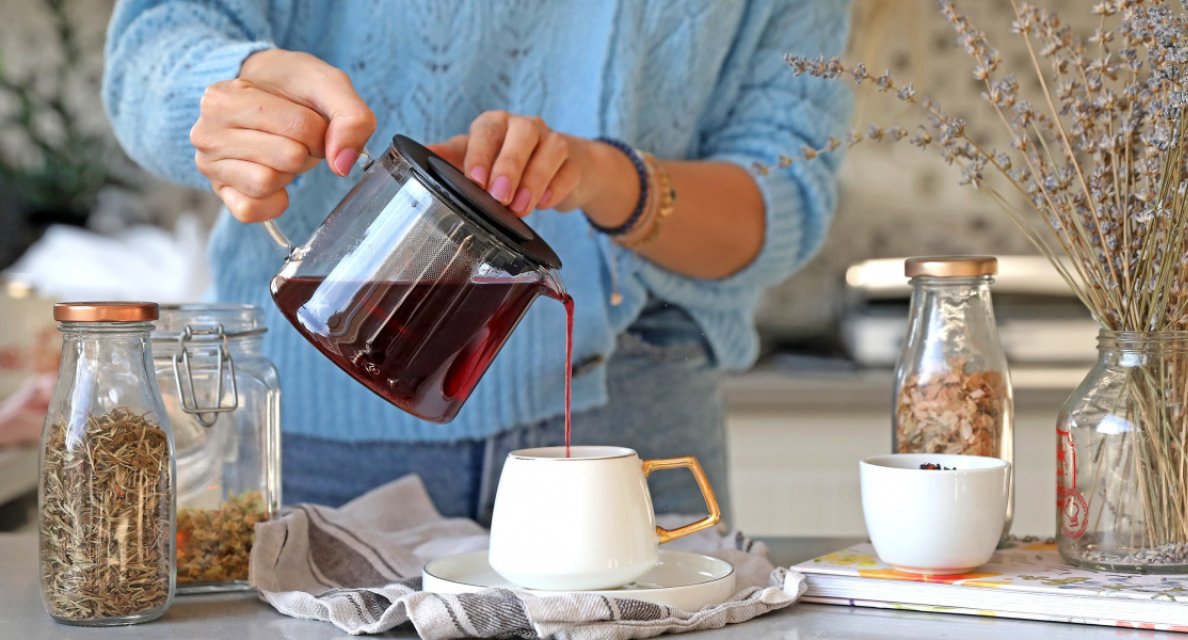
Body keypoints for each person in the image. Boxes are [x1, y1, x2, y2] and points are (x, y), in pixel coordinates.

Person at [103, 0, 852, 525]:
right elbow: (155, 41)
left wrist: (602, 176)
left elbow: (785, 191)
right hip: (317, 423)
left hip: (629, 417)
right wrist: (232, 90)